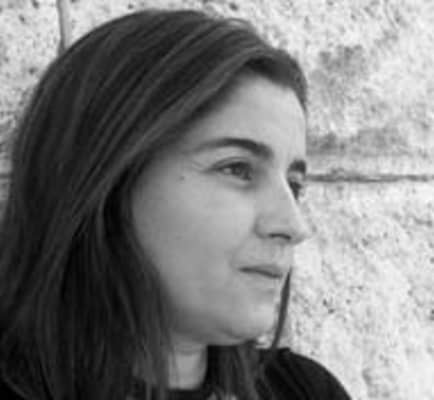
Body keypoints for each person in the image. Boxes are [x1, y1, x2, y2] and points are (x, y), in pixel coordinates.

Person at [0, 8, 351, 400]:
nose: (293, 225)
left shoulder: (305, 391)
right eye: (237, 169)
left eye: (294, 185)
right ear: (106, 179)